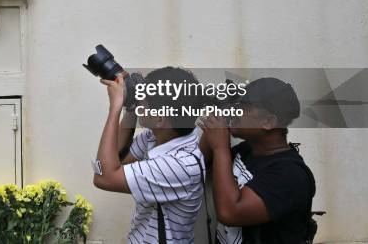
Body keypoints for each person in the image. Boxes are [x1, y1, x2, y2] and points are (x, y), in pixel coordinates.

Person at [93, 67, 206, 243]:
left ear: (160, 119)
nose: (139, 100)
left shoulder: (179, 165)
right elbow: (119, 159)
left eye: (143, 99)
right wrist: (130, 107)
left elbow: (104, 177)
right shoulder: (158, 136)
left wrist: (114, 108)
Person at [199, 77, 316, 244]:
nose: (235, 111)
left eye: (244, 107)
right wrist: (215, 125)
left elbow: (230, 212)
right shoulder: (248, 150)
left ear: (268, 122)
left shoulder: (290, 175)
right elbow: (198, 166)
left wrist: (220, 148)